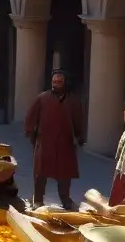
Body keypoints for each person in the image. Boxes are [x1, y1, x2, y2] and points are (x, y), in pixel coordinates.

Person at [24, 70, 86, 210]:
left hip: (65, 143)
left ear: (64, 83)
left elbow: (78, 120)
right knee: (41, 173)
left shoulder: (73, 100)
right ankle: (38, 200)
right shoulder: (42, 98)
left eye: (59, 82)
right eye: (54, 82)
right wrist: (31, 135)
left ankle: (65, 200)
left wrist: (80, 136)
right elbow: (30, 117)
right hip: (45, 142)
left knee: (64, 175)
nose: (56, 84)